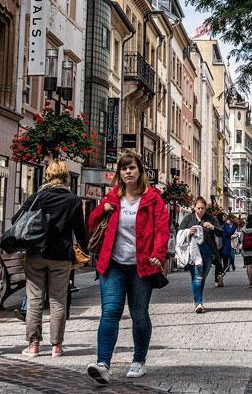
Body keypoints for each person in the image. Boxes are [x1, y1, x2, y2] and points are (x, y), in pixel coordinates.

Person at [86, 153, 168, 384]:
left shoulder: (153, 199)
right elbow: (91, 223)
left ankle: (139, 360)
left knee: (139, 314)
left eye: (131, 168)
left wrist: (158, 255)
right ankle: (103, 364)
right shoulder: (112, 197)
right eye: (124, 169)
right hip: (113, 264)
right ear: (119, 174)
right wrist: (103, 209)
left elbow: (162, 230)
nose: (128, 172)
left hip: (141, 266)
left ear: (140, 171)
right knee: (110, 311)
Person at [19, 160, 88, 358]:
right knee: (58, 300)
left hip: (36, 253)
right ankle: (56, 346)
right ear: (66, 176)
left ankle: (33, 345)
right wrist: (86, 251)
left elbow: (18, 220)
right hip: (61, 256)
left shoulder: (37, 197)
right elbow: (80, 231)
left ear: (48, 175)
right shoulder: (73, 200)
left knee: (35, 300)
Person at [178, 197, 223, 312]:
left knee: (201, 279)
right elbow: (179, 232)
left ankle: (197, 300)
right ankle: (198, 303)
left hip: (208, 254)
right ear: (194, 208)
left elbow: (221, 232)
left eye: (203, 208)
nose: (200, 210)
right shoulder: (189, 219)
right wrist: (188, 232)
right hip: (193, 255)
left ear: (205, 208)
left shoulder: (211, 218)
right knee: (197, 278)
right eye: (198, 208)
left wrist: (212, 227)